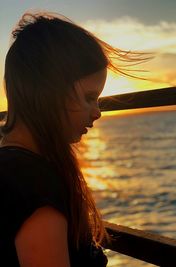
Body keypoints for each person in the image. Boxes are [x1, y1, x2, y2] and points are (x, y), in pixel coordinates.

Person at [0, 11, 150, 267]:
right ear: (49, 92)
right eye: (90, 97)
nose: (97, 112)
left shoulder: (13, 165)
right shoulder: (33, 183)